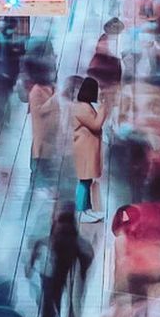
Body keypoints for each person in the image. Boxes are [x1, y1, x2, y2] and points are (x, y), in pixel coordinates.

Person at [26, 203, 92, 317]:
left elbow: (32, 264)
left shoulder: (47, 239)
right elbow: (86, 256)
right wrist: (83, 278)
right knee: (70, 315)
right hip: (66, 279)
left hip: (48, 280)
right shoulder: (75, 240)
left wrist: (32, 271)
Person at [72, 77, 109, 222]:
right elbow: (96, 124)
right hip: (84, 150)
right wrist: (104, 108)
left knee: (87, 180)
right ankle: (80, 211)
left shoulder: (85, 106)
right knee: (84, 181)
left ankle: (86, 209)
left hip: (88, 148)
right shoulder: (82, 108)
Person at [26, 67, 59, 193]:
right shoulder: (36, 91)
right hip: (42, 138)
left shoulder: (55, 89)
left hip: (53, 137)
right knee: (39, 170)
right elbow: (38, 110)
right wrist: (53, 100)